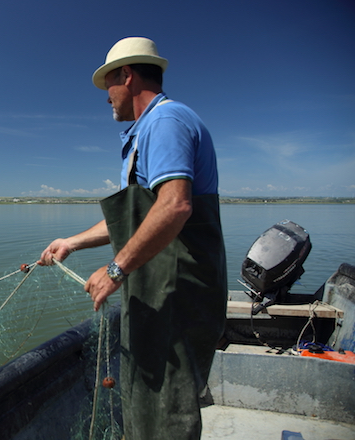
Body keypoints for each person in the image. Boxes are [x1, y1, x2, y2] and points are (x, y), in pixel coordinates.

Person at [39, 37, 227, 440]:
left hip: (177, 297)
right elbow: (140, 219)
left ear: (127, 75)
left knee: (167, 413)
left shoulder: (164, 122)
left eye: (108, 84)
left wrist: (114, 270)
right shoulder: (148, 129)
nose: (106, 98)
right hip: (157, 295)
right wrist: (71, 242)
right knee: (148, 403)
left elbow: (174, 207)